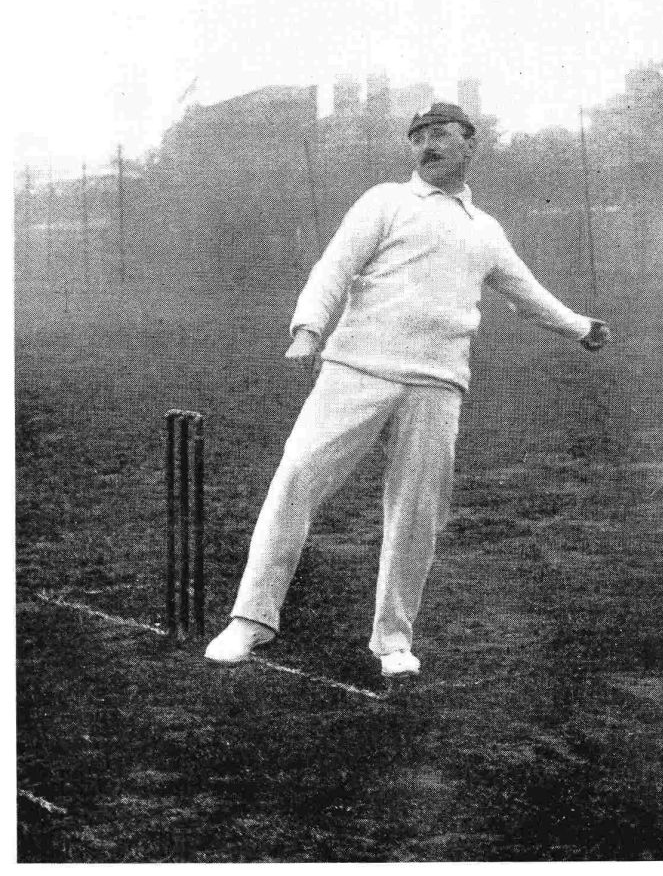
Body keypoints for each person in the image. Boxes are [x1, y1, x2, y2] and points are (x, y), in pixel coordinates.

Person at [204, 102, 610, 677]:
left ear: (469, 142)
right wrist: (309, 327)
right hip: (356, 368)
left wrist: (581, 327)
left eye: (440, 134)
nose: (427, 145)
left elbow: (527, 293)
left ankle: (393, 640)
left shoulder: (486, 230)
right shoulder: (384, 201)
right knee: (296, 477)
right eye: (418, 137)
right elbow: (334, 266)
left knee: (417, 512)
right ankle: (251, 620)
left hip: (437, 384)